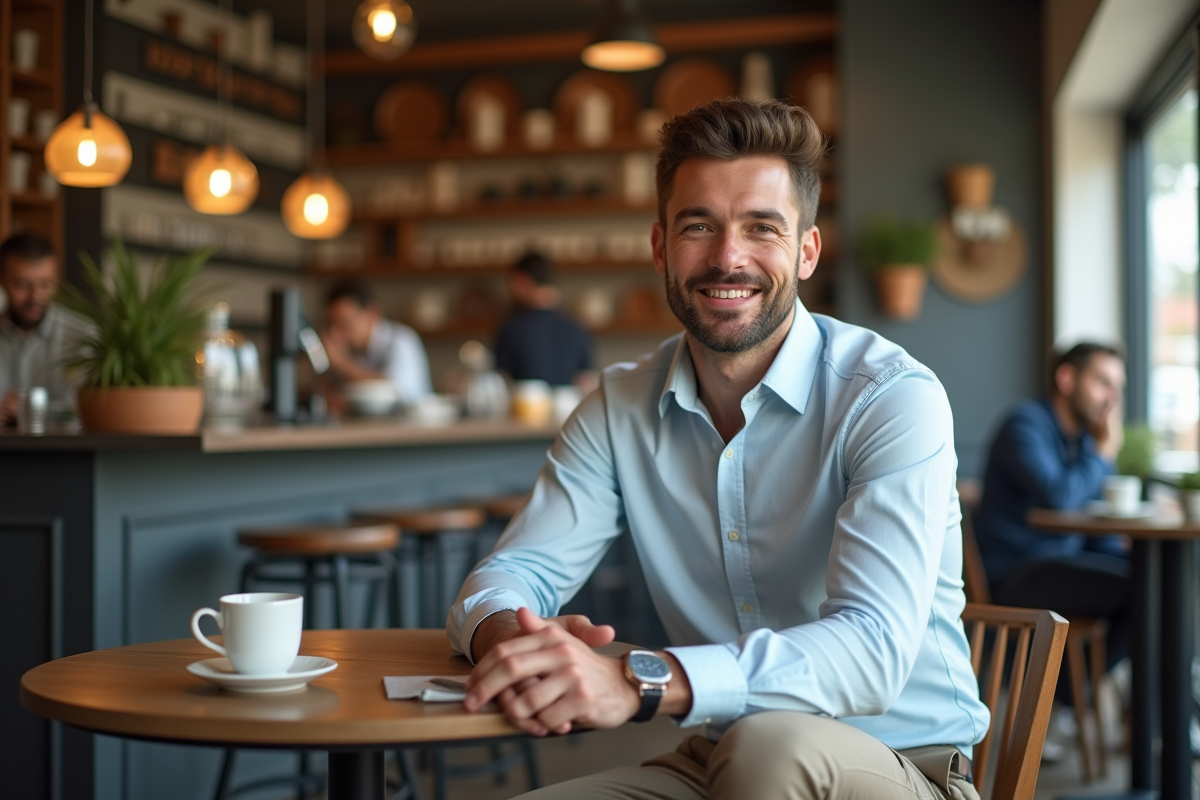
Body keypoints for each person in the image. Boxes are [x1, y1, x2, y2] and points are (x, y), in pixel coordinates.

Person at [446, 98, 988, 800]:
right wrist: (513, 639)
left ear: (807, 251)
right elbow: (507, 574)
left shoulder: (890, 396)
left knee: (769, 748)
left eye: (762, 228)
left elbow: (872, 652)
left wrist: (632, 680)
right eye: (699, 226)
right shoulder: (617, 408)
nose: (728, 257)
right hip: (713, 758)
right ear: (660, 246)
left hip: (902, 764)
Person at [974, 343, 1129, 651]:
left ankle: (1080, 688)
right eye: (1103, 383)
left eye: (1117, 388)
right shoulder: (1024, 424)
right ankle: (1075, 690)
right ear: (1067, 379)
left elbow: (1094, 509)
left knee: (1157, 580)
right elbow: (1059, 495)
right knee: (1144, 590)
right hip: (1015, 571)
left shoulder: (1085, 439)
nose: (1112, 399)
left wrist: (1120, 554)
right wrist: (1104, 452)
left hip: (1061, 560)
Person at [0, 233, 86, 426]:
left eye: (45, 285)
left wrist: (31, 409)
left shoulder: (84, 337)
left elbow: (92, 410)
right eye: (21, 285)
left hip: (67, 455)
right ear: (2, 279)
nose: (35, 297)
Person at [321, 279, 431, 409]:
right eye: (331, 324)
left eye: (344, 323)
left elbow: (394, 389)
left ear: (373, 314)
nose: (335, 333)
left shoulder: (402, 340)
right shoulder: (345, 348)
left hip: (411, 427)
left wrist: (342, 364)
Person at [493, 252, 593, 387]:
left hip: (523, 407)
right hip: (570, 407)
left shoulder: (511, 329)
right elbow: (586, 382)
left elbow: (501, 382)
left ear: (521, 281)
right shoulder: (579, 328)